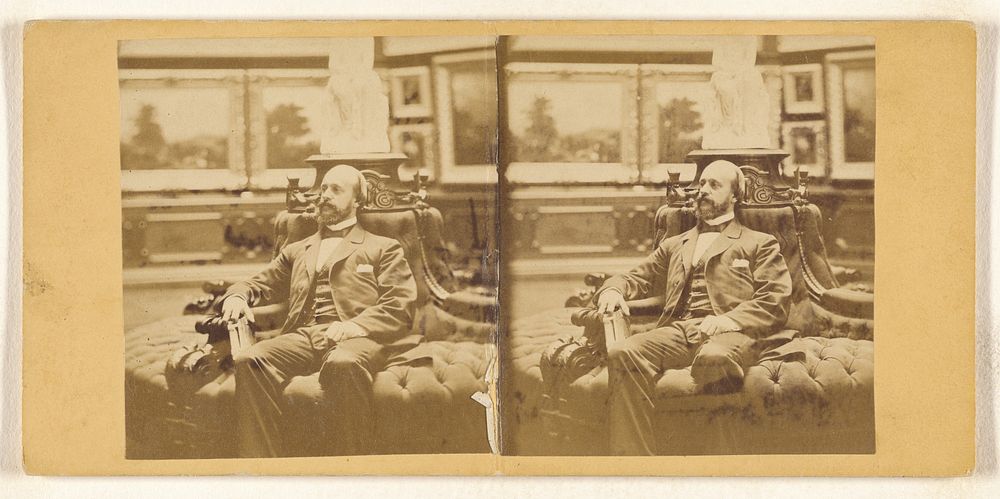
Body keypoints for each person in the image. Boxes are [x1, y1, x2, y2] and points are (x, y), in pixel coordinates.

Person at [219, 164, 425, 457]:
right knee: (249, 360)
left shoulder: (383, 247)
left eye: (336, 190)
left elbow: (400, 305)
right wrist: (238, 296)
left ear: (357, 201)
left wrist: (355, 326)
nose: (325, 195)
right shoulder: (298, 249)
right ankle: (263, 470)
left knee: (343, 363)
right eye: (324, 188)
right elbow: (258, 282)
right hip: (304, 336)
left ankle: (350, 469)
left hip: (360, 338)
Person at [595, 159, 793, 455]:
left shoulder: (759, 243)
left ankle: (719, 467)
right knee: (623, 351)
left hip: (732, 334)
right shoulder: (676, 244)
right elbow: (636, 277)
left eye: (714, 185)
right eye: (702, 184)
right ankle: (635, 465)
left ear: (735, 196)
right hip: (679, 330)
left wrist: (728, 320)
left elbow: (775, 299)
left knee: (713, 358)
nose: (703, 190)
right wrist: (612, 290)